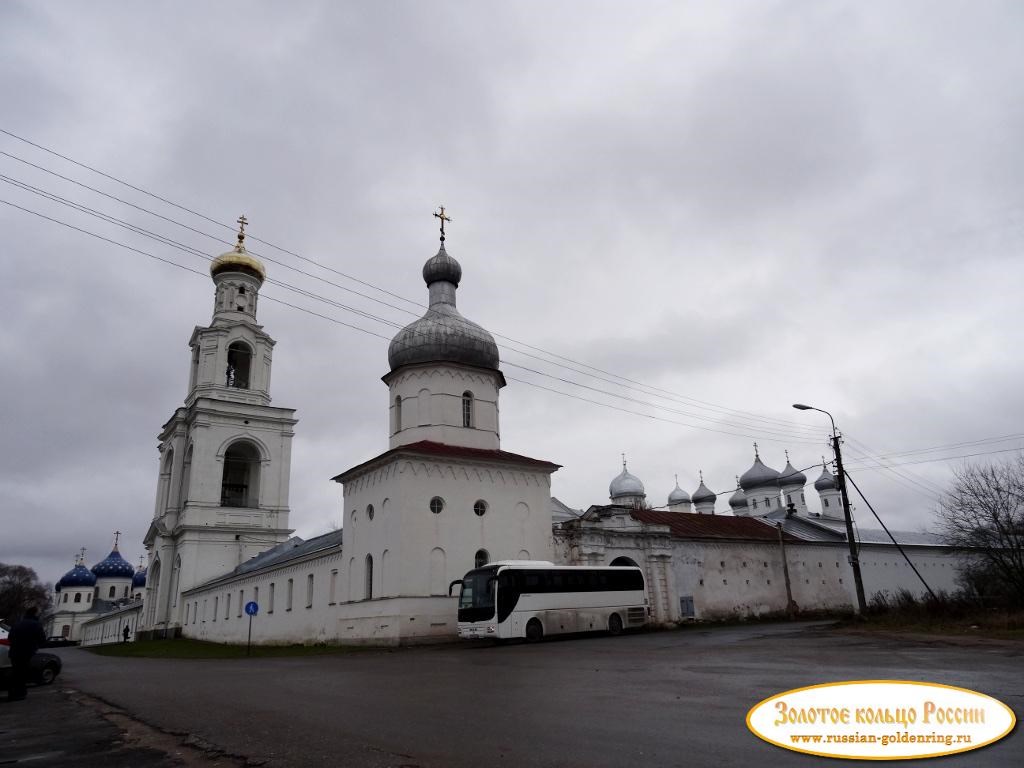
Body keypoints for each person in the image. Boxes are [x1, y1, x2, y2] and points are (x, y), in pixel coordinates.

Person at [7, 607, 46, 702]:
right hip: (27, 652)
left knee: (15, 672)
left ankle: (12, 693)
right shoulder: (36, 624)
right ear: (35, 614)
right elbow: (42, 639)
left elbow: (10, 637)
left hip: (14, 652)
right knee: (23, 673)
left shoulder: (17, 623)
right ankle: (20, 694)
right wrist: (34, 645)